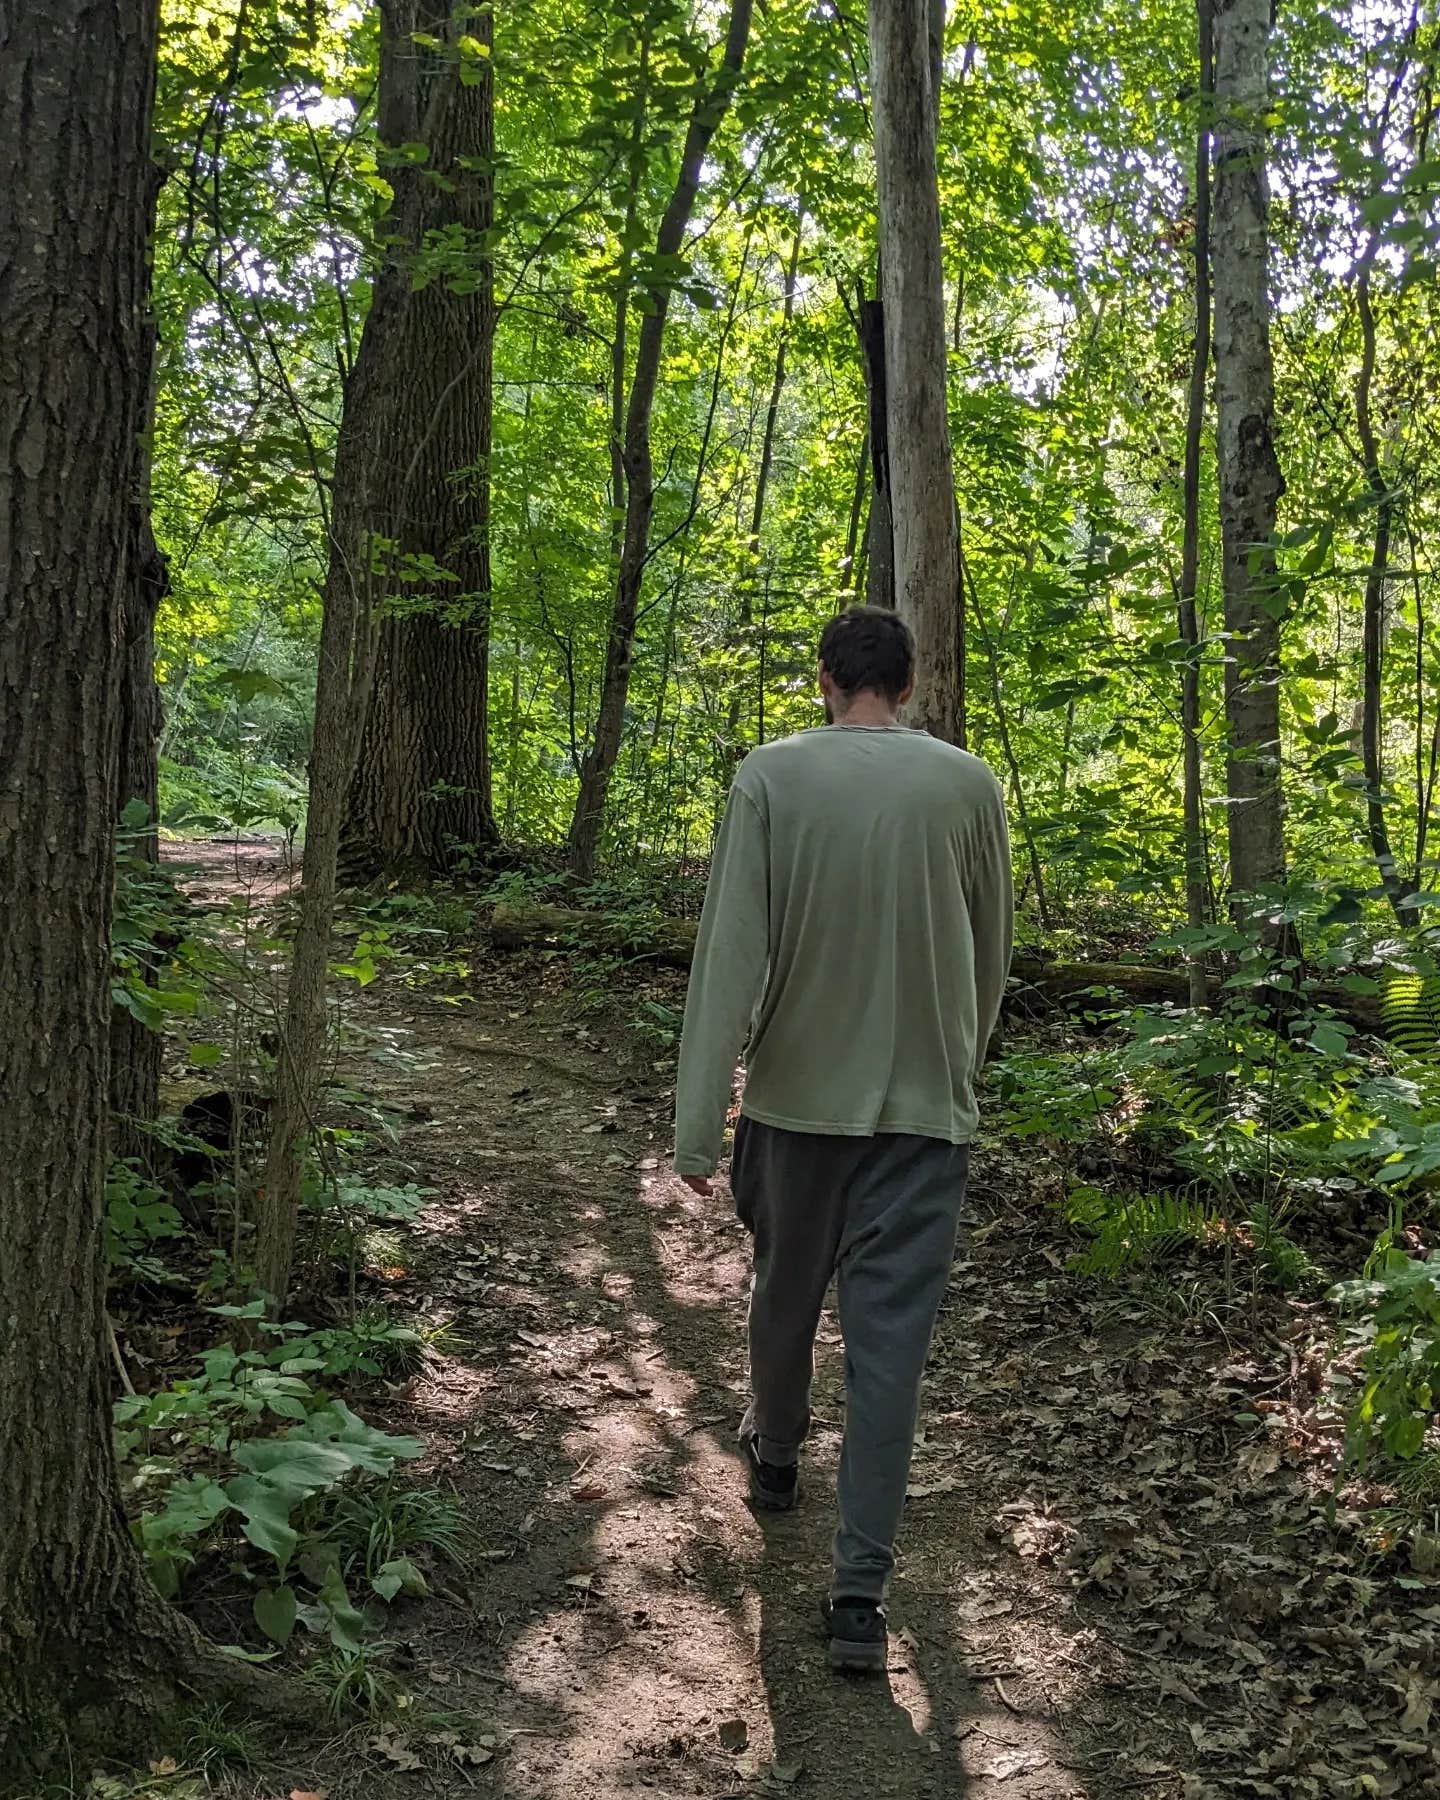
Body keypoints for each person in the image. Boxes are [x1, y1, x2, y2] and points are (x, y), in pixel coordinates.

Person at [673, 604, 1013, 1673]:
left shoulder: (769, 776)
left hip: (793, 1105)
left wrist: (696, 1121)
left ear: (825, 678)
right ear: (908, 685)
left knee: (783, 1291)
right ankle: (858, 1599)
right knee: (891, 1353)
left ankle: (775, 1455)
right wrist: (961, 1061)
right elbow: (992, 954)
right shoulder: (967, 786)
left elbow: (729, 957)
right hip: (924, 1114)